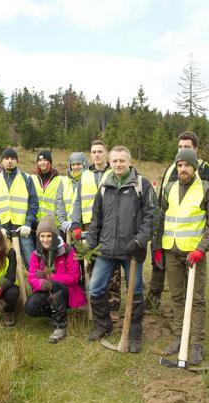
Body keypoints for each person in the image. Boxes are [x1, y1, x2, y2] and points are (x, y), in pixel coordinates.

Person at [154, 149, 209, 365]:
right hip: (171, 252)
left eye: (187, 165)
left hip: (194, 255)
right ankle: (178, 338)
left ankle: (196, 345)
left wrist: (201, 249)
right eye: (180, 165)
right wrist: (158, 247)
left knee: (197, 299)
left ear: (194, 167)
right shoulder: (169, 189)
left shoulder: (207, 190)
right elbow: (161, 219)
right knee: (177, 297)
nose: (183, 169)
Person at [85, 146, 156, 353]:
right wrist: (91, 242)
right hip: (106, 248)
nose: (117, 164)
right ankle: (103, 326)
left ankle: (134, 333)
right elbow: (96, 217)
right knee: (95, 288)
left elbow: (152, 217)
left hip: (131, 250)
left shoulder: (141, 185)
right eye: (114, 161)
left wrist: (140, 241)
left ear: (129, 162)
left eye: (121, 161)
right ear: (110, 161)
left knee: (134, 292)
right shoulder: (104, 186)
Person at [146, 131, 209, 310]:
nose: (183, 149)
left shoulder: (205, 170)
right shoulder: (171, 168)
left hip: (191, 240)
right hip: (168, 235)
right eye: (180, 146)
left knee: (190, 283)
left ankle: (189, 308)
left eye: (187, 147)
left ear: (196, 149)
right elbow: (162, 201)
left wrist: (202, 243)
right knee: (159, 266)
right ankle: (154, 299)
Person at [70, 140, 121, 319]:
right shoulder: (84, 175)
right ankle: (95, 304)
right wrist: (75, 224)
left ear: (106, 154)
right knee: (91, 265)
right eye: (94, 152)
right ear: (90, 155)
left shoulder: (114, 172)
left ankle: (113, 304)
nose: (97, 154)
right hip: (89, 227)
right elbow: (77, 201)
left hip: (110, 226)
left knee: (112, 265)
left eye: (100, 151)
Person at [25, 216, 86, 343]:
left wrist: (50, 277)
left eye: (49, 236)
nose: (45, 239)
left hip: (68, 292)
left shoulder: (67, 250)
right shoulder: (36, 255)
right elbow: (32, 277)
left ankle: (60, 327)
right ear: (38, 237)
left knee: (54, 285)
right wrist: (40, 283)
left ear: (54, 236)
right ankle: (56, 314)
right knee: (30, 307)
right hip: (45, 290)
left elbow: (74, 277)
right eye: (42, 236)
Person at [0, 148, 38, 270]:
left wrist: (28, 223)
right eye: (7, 158)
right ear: (2, 161)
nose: (10, 161)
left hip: (22, 229)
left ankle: (38, 288)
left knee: (31, 262)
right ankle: (9, 288)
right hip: (2, 229)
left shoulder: (26, 179)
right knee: (3, 265)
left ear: (17, 161)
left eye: (13, 158)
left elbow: (33, 203)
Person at [56, 152, 88, 237]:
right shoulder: (63, 181)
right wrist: (62, 221)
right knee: (70, 250)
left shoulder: (88, 179)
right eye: (73, 165)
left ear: (84, 164)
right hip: (67, 227)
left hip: (84, 226)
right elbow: (60, 203)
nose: (75, 167)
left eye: (78, 164)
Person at [32, 150, 62, 226]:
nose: (42, 162)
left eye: (45, 160)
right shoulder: (32, 178)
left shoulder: (60, 179)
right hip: (35, 222)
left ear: (50, 162)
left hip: (52, 223)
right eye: (40, 160)